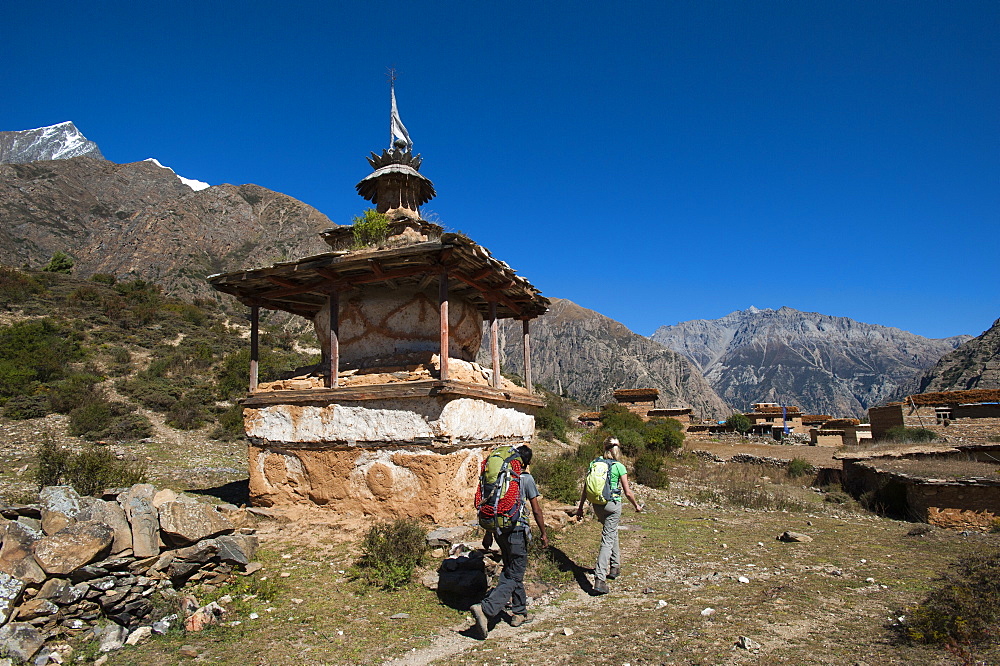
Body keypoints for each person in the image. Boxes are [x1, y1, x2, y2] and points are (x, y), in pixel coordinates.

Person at [470, 445, 548, 639]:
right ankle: (486, 609)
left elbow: (491, 502)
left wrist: (488, 533)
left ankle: (519, 612)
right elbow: (536, 510)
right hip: (516, 530)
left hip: (499, 530)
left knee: (512, 568)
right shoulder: (526, 479)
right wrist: (544, 533)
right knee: (515, 573)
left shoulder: (501, 477)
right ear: (526, 463)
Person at [575, 436, 643, 594]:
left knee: (611, 532)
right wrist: (636, 506)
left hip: (597, 505)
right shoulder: (619, 466)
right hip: (612, 505)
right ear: (617, 450)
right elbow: (627, 492)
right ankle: (600, 579)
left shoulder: (594, 463)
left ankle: (615, 566)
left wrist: (580, 507)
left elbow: (586, 487)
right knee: (607, 539)